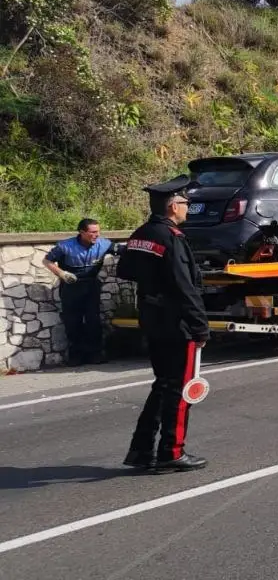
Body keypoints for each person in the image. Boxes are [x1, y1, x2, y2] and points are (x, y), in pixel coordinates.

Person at [116, 176, 210, 472]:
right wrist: (200, 326)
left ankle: (141, 449)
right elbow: (185, 287)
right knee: (180, 389)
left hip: (152, 319)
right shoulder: (172, 238)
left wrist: (152, 282)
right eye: (184, 202)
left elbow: (125, 269)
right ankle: (172, 450)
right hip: (177, 323)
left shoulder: (142, 233)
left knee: (163, 384)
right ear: (172, 206)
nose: (187, 207)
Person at [43, 219, 120, 365]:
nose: (97, 235)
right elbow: (47, 261)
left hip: (91, 285)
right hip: (71, 286)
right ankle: (76, 356)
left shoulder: (104, 244)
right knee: (73, 322)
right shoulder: (65, 246)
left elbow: (123, 250)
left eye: (98, 231)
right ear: (82, 232)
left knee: (93, 320)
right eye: (93, 232)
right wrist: (61, 274)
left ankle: (95, 354)